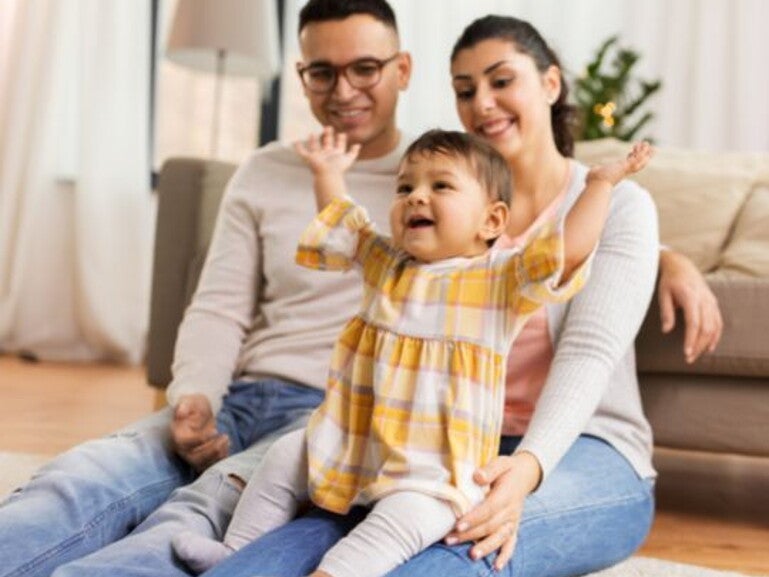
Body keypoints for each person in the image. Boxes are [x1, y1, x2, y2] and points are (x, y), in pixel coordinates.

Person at [0, 2, 719, 577]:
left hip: (557, 444)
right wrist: (198, 391)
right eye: (466, 89)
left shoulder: (568, 206)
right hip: (406, 430)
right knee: (269, 524)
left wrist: (525, 468)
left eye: (503, 81)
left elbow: (580, 319)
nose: (482, 103)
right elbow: (330, 247)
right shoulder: (441, 202)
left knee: (428, 546)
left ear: (550, 83)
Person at [172, 127, 652, 577]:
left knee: (398, 524)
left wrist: (600, 186)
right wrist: (327, 173)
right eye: (404, 189)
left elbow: (567, 251)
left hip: (434, 474)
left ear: (492, 220)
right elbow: (344, 224)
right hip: (359, 448)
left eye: (440, 186)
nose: (416, 196)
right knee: (284, 456)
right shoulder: (388, 265)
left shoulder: (498, 280)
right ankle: (235, 550)